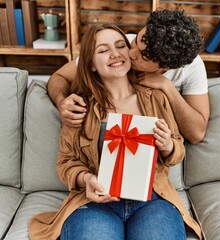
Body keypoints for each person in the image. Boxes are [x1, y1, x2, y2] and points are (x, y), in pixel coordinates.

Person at [29, 24, 202, 240]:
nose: (115, 54)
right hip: (94, 202)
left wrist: (168, 145)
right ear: (91, 64)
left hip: (153, 200)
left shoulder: (157, 98)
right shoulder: (80, 107)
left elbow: (178, 149)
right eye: (103, 50)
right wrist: (87, 178)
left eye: (120, 46)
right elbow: (66, 162)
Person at [47, 9, 210, 144]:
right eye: (136, 42)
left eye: (143, 57)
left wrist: (166, 86)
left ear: (165, 67)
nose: (130, 54)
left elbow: (196, 134)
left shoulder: (192, 68)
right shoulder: (123, 45)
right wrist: (62, 102)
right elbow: (59, 76)